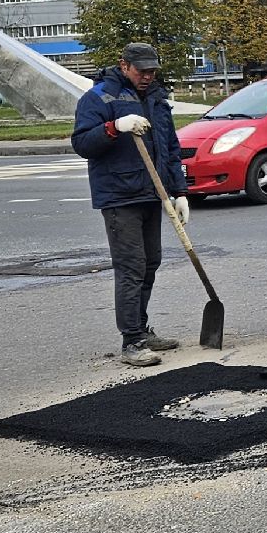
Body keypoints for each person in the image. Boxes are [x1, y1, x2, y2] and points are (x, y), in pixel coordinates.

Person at [70, 42, 189, 368]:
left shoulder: (156, 99)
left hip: (154, 193)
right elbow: (81, 142)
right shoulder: (98, 98)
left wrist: (179, 191)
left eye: (152, 71)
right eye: (142, 71)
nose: (148, 76)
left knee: (151, 262)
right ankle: (131, 340)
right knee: (131, 267)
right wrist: (114, 127)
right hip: (119, 195)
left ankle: (141, 328)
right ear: (123, 65)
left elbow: (170, 146)